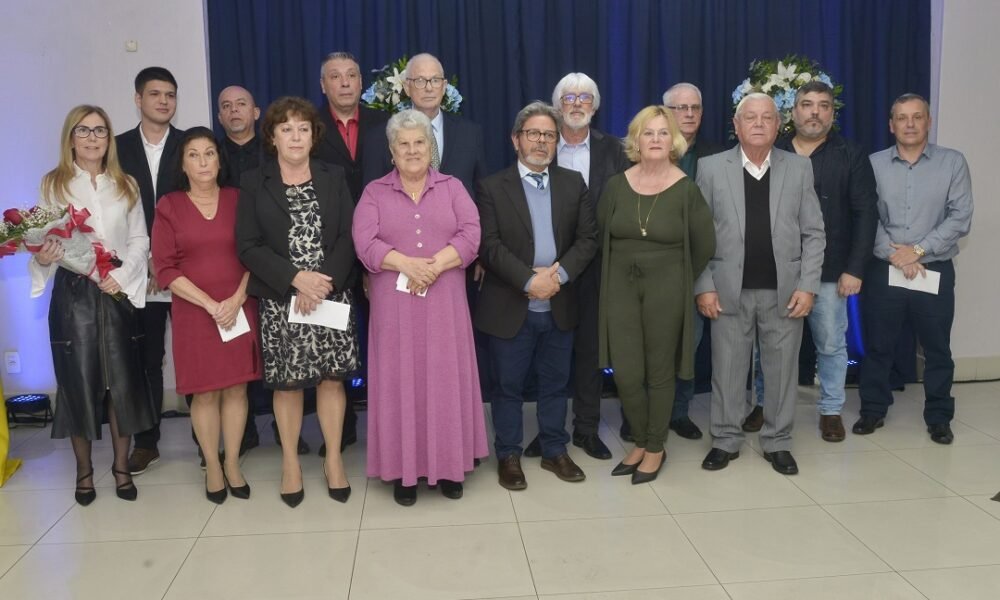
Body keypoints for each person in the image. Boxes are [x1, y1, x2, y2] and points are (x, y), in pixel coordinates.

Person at [353, 109, 488, 506]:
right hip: (394, 309)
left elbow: (472, 234)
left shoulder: (453, 188)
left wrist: (434, 265)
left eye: (419, 142)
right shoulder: (374, 192)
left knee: (446, 383)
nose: (412, 150)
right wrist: (406, 263)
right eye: (403, 144)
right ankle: (403, 472)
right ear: (391, 151)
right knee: (399, 385)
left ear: (431, 148)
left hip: (445, 302)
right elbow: (365, 243)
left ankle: (450, 467)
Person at [236, 96, 360, 507]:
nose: (295, 136)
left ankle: (334, 461)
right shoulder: (255, 181)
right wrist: (296, 280)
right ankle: (290, 463)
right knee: (288, 386)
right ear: (271, 136)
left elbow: (348, 236)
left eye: (303, 128)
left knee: (331, 380)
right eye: (286, 128)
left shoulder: (334, 175)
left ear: (313, 135)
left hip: (329, 291)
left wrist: (321, 284)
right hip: (280, 298)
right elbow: (248, 246)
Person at [695, 93, 825, 476]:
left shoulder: (799, 169)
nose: (757, 123)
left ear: (777, 125)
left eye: (766, 117)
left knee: (782, 371)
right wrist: (703, 285)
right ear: (735, 126)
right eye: (748, 117)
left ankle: (778, 441)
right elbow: (697, 235)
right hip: (726, 290)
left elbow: (814, 233)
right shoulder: (710, 168)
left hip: (784, 291)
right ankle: (724, 439)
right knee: (727, 370)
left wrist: (809, 285)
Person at [30, 105, 154, 504]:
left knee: (122, 383)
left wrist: (122, 274)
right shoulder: (53, 184)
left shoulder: (126, 183)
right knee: (78, 383)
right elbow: (45, 240)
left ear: (109, 138)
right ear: (71, 137)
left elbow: (139, 239)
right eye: (83, 131)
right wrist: (44, 257)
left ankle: (121, 469)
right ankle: (84, 473)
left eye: (100, 130)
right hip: (73, 293)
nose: (93, 138)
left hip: (117, 289)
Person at [475, 101, 598, 491]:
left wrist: (557, 275)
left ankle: (553, 449)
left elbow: (587, 238)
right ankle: (509, 454)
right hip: (510, 304)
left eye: (548, 135)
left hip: (559, 302)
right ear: (516, 140)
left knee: (555, 383)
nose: (541, 142)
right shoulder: (492, 187)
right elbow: (488, 246)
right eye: (533, 134)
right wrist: (529, 282)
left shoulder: (572, 183)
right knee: (507, 387)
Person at [747, 81, 878, 442]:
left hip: (831, 271)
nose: (815, 112)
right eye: (807, 104)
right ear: (793, 112)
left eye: (823, 106)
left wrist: (855, 268)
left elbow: (866, 214)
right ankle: (762, 403)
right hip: (775, 270)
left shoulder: (850, 154)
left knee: (832, 345)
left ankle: (831, 409)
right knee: (766, 346)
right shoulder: (771, 152)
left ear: (832, 114)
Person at [598, 106, 715, 484]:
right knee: (628, 373)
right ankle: (642, 440)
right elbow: (601, 236)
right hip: (620, 287)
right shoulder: (616, 185)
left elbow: (704, 245)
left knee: (660, 371)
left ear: (674, 141)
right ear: (636, 140)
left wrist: (678, 279)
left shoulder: (686, 189)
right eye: (648, 133)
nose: (655, 140)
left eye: (663, 133)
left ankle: (654, 446)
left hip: (667, 288)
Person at [520, 73, 630, 462]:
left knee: (589, 351)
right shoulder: (539, 145)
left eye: (586, 97)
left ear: (595, 107)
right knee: (547, 350)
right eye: (569, 97)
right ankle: (549, 430)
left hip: (599, 265)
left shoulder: (616, 150)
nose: (578, 103)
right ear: (557, 106)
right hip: (547, 269)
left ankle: (586, 427)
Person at [855, 93, 973, 444]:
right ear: (891, 125)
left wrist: (918, 251)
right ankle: (873, 409)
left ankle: (938, 416)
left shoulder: (953, 163)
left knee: (937, 348)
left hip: (933, 269)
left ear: (928, 122)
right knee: (878, 345)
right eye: (902, 118)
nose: (909, 124)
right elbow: (866, 216)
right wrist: (897, 256)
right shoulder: (873, 164)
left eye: (917, 117)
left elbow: (961, 216)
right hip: (885, 269)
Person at [151, 127, 260, 504]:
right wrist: (211, 305)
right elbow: (164, 269)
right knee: (206, 393)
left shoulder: (239, 199)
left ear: (219, 159)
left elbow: (255, 252)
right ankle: (212, 464)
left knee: (236, 388)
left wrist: (236, 298)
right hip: (196, 313)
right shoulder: (169, 205)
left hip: (239, 307)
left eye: (209, 153)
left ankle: (232, 463)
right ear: (182, 163)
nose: (202, 162)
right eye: (193, 155)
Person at [218, 85, 310, 456]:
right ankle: (244, 433)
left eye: (242, 104)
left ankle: (285, 430)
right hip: (241, 267)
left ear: (257, 113)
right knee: (245, 356)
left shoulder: (286, 160)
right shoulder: (216, 155)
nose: (234, 111)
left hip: (285, 276)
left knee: (287, 364)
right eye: (226, 106)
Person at [315, 51, 391, 454]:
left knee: (386, 339)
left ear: (362, 83)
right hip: (331, 252)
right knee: (335, 337)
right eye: (335, 76)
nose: (344, 83)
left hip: (385, 248)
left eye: (351, 75)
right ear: (323, 85)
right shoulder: (309, 128)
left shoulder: (384, 124)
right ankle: (339, 432)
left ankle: (388, 424)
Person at [116, 66, 185, 475]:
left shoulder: (190, 144)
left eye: (170, 94)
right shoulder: (117, 148)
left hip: (186, 271)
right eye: (155, 94)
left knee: (198, 353)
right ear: (138, 99)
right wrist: (148, 262)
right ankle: (147, 441)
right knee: (146, 357)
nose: (163, 101)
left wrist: (169, 261)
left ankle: (207, 438)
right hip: (139, 272)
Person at [659, 82, 726, 441]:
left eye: (694, 108)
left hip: (698, 267)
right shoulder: (647, 149)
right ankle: (639, 412)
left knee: (689, 345)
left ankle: (679, 412)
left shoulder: (718, 155)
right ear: (665, 111)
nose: (688, 114)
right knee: (647, 345)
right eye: (680, 107)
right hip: (652, 268)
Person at [362, 52, 487, 197]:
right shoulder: (379, 137)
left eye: (435, 80)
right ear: (407, 87)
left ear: (444, 86)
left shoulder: (470, 134)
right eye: (420, 81)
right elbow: (371, 196)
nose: (429, 88)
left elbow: (482, 193)